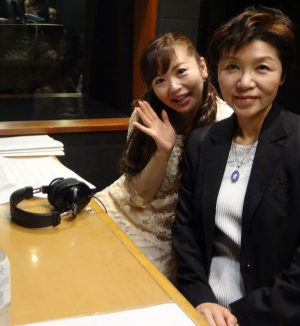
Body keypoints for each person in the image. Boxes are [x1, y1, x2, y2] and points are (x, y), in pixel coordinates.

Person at [172, 7, 300, 326]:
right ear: (216, 71)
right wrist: (200, 298)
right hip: (206, 310)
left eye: (262, 67)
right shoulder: (202, 142)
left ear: (283, 75)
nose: (244, 82)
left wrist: (239, 315)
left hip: (277, 315)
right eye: (232, 67)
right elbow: (186, 234)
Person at [94, 33, 232, 280]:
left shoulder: (226, 123)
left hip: (166, 238)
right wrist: (162, 152)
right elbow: (139, 197)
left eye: (181, 71)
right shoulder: (147, 115)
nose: (174, 87)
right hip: (118, 206)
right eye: (160, 80)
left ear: (202, 67)